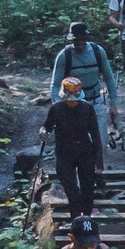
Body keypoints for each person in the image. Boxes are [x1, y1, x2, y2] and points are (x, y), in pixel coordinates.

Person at [40, 76, 104, 218]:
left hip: (85, 153)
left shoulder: (87, 108)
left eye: (75, 99)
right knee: (72, 192)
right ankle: (76, 222)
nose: (72, 102)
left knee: (87, 191)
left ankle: (87, 220)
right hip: (64, 154)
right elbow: (47, 126)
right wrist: (44, 132)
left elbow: (95, 136)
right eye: (70, 100)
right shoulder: (56, 109)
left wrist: (99, 162)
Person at [47, 21, 119, 138]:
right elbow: (55, 84)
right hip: (74, 105)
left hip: (96, 101)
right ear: (72, 41)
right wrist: (57, 106)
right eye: (77, 43)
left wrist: (113, 104)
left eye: (83, 43)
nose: (80, 46)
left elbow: (109, 78)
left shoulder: (98, 52)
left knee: (100, 141)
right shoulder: (64, 56)